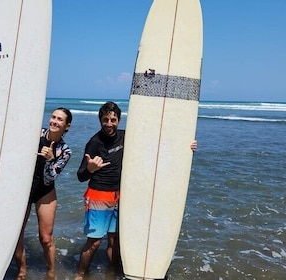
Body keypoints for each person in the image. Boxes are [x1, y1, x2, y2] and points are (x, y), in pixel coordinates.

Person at [74, 101, 197, 279]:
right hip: (99, 195)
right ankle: (80, 274)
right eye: (105, 120)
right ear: (100, 120)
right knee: (94, 241)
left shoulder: (126, 136)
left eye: (113, 120)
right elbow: (80, 175)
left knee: (115, 240)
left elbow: (156, 144)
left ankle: (114, 273)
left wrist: (186, 145)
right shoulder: (94, 143)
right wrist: (91, 168)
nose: (109, 124)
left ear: (119, 120)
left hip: (121, 196)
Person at [0, 108, 73, 280]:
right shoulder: (35, 133)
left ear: (67, 126)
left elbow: (50, 178)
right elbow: (3, 133)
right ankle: (22, 270)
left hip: (45, 191)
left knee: (46, 238)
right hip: (22, 189)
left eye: (60, 120)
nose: (54, 121)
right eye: (53, 117)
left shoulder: (65, 151)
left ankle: (50, 273)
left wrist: (50, 159)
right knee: (16, 234)